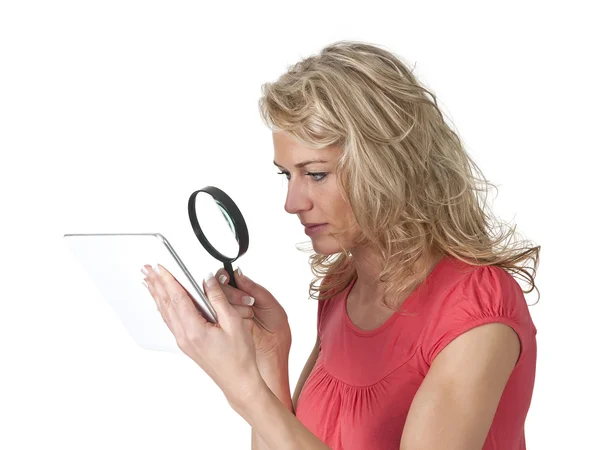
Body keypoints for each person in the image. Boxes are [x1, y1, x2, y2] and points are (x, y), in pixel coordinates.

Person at [142, 40, 540, 450]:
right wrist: (269, 354)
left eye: (315, 174)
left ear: (386, 168)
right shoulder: (343, 289)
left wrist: (241, 388)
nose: (292, 203)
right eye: (286, 176)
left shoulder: (476, 310)